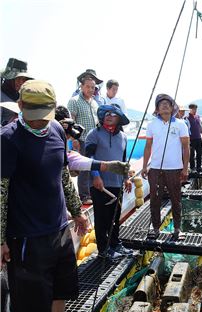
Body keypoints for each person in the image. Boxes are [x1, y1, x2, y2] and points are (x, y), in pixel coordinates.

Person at [1, 80, 89, 312]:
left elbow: (63, 176)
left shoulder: (54, 130)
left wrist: (77, 211)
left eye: (45, 115)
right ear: (21, 106)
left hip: (59, 228)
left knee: (60, 290)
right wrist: (0, 239)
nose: (40, 122)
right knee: (35, 299)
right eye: (33, 114)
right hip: (27, 234)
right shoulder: (7, 139)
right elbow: (0, 193)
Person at [85, 104, 133, 259]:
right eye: (107, 113)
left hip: (117, 183)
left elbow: (123, 161)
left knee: (114, 217)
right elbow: (89, 158)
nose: (109, 115)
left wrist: (126, 179)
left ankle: (115, 244)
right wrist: (96, 176)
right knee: (101, 218)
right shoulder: (94, 134)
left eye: (113, 114)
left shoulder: (123, 137)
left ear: (119, 118)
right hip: (100, 184)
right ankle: (103, 250)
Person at [141, 94, 190, 239]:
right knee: (155, 200)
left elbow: (186, 147)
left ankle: (177, 229)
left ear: (172, 107)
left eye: (167, 103)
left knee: (176, 200)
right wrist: (144, 166)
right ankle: (155, 229)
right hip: (155, 169)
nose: (164, 105)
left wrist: (185, 168)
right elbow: (148, 147)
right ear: (157, 109)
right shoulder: (151, 125)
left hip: (175, 169)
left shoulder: (181, 124)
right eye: (161, 104)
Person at [68, 72, 101, 204]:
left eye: (93, 87)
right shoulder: (74, 101)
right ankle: (84, 195)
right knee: (83, 168)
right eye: (88, 87)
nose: (91, 90)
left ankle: (92, 191)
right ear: (81, 86)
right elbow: (71, 121)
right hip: (81, 139)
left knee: (94, 166)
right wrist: (74, 139)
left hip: (94, 140)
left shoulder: (94, 102)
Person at [1, 58, 33, 126]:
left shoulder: (20, 98)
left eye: (23, 79)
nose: (21, 82)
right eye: (18, 78)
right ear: (10, 79)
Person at [187, 103, 202, 172]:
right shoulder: (187, 118)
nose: (195, 110)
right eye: (193, 109)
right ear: (190, 109)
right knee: (192, 154)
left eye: (195, 109)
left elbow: (200, 126)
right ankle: (192, 168)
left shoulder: (198, 117)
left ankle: (199, 167)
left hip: (198, 138)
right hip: (191, 139)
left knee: (199, 153)